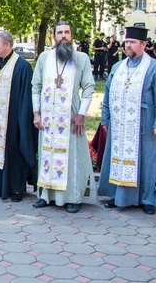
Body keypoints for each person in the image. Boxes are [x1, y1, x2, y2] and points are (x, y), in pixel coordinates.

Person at [98, 25, 156, 215]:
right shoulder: (117, 67)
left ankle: (146, 200)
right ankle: (116, 196)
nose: (128, 45)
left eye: (132, 42)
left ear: (144, 44)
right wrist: (105, 118)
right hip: (119, 122)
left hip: (144, 122)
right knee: (117, 157)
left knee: (146, 160)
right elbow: (107, 95)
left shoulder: (155, 67)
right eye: (127, 42)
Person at [31, 21, 96, 213]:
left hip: (70, 118)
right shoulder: (44, 58)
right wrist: (36, 113)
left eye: (67, 32)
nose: (63, 36)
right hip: (48, 120)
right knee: (47, 156)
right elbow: (36, 86)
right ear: (54, 36)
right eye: (60, 33)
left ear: (71, 35)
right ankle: (46, 195)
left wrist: (82, 114)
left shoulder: (81, 58)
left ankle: (73, 197)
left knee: (72, 157)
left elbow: (89, 87)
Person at [0, 31, 37, 201]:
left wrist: (22, 122)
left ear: (7, 45)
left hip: (11, 121)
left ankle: (14, 189)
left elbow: (26, 98)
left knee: (12, 153)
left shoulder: (22, 66)